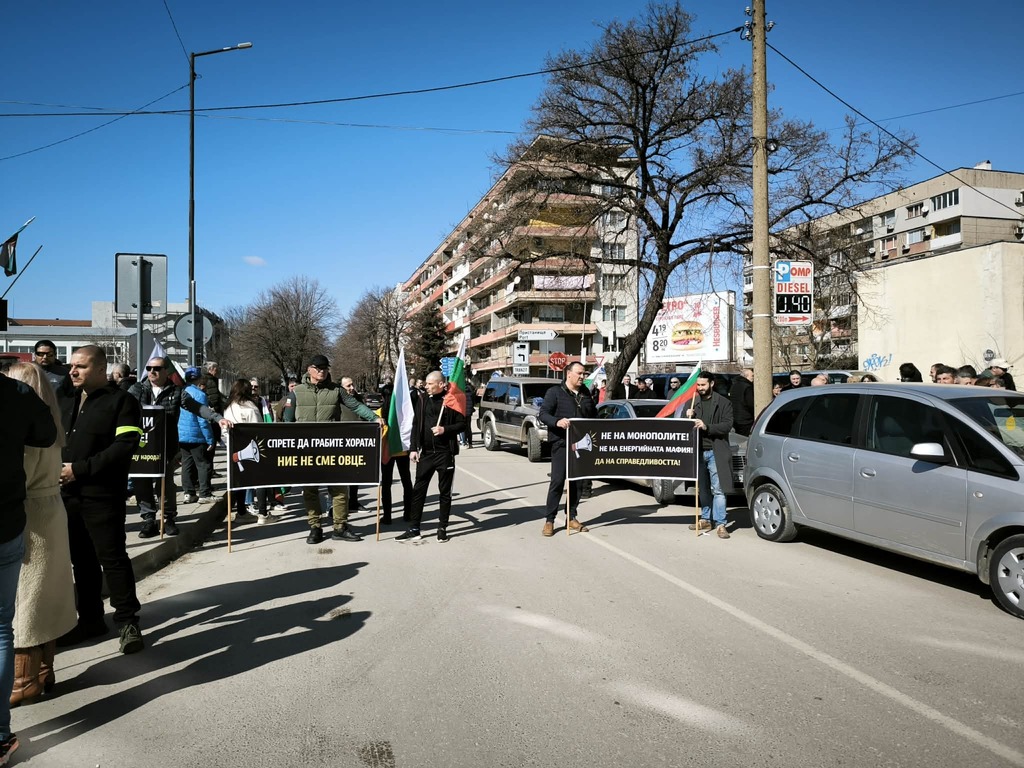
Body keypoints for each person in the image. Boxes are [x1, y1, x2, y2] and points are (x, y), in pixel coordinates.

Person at [59, 345, 145, 655]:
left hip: (102, 496)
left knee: (112, 559)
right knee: (81, 562)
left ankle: (127, 623)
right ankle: (91, 620)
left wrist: (79, 470)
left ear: (99, 369)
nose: (73, 371)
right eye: (72, 365)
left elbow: (124, 447)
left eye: (80, 366)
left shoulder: (122, 402)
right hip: (67, 498)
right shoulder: (65, 398)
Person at [5, 364, 76, 707]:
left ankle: (23, 680)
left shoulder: (23, 427)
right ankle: (45, 670)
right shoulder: (51, 421)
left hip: (29, 513)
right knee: (45, 595)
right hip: (51, 509)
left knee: (25, 601)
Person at [0, 368, 58, 761]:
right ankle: (0, 735)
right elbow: (47, 433)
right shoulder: (16, 394)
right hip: (4, 520)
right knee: (1, 626)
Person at [291, 355, 381, 545]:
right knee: (310, 491)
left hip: (331, 449)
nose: (322, 371)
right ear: (309, 369)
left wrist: (373, 417)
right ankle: (314, 527)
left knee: (339, 490)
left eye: (325, 368)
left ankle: (340, 527)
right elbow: (285, 423)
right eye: (318, 368)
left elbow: (355, 405)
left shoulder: (336, 391)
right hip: (307, 450)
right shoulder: (297, 392)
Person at [397, 371, 466, 542]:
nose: (425, 386)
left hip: (445, 453)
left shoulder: (452, 400)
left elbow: (462, 424)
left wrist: (445, 430)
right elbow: (416, 424)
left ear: (441, 384)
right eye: (425, 383)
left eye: (429, 384)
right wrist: (413, 448)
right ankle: (414, 528)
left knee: (444, 493)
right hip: (426, 453)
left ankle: (442, 528)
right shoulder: (422, 399)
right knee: (418, 491)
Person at [537, 361, 597, 537]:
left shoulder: (585, 394)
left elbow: (593, 416)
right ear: (568, 374)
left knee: (577, 483)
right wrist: (557, 422)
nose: (582, 377)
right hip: (562, 444)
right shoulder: (555, 393)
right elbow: (544, 414)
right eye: (579, 373)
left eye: (584, 374)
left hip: (581, 446)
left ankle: (571, 516)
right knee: (557, 481)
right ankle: (549, 520)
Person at [128, 357, 181, 538]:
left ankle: (168, 519)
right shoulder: (136, 389)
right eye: (149, 367)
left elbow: (195, 407)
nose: (152, 371)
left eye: (157, 368)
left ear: (167, 371)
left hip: (165, 447)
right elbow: (123, 406)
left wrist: (216, 418)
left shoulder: (176, 391)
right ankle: (148, 520)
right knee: (141, 483)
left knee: (165, 485)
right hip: (140, 446)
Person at [686, 372, 735, 539]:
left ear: (711, 384)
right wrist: (687, 417)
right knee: (703, 489)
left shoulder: (723, 402)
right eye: (698, 385)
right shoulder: (693, 403)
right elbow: (682, 428)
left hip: (716, 451)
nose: (700, 388)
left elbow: (727, 425)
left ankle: (721, 523)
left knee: (719, 489)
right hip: (698, 452)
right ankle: (706, 519)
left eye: (703, 385)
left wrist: (707, 427)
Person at [222, 379, 278, 525]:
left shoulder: (229, 408)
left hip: (234, 449)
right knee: (261, 480)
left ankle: (241, 512)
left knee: (240, 482)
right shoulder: (250, 408)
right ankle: (263, 514)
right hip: (252, 448)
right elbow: (257, 429)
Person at [177, 368, 215, 508]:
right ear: (199, 379)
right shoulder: (200, 394)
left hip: (182, 435)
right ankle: (204, 493)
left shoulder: (181, 392)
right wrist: (210, 438)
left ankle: (188, 493)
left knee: (186, 464)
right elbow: (203, 419)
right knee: (203, 464)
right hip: (197, 435)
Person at [379, 392, 413, 527]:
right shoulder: (402, 411)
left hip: (386, 452)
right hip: (402, 451)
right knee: (406, 481)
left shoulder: (378, 412)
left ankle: (387, 516)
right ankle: (408, 513)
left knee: (386, 484)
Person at [34, 339, 76, 431]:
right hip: (32, 419)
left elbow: (72, 398)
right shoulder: (27, 372)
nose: (44, 357)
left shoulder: (65, 374)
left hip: (56, 421)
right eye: (40, 354)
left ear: (55, 355)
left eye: (49, 354)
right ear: (35, 355)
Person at [729, 368, 755, 436]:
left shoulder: (734, 385)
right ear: (746, 376)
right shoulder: (747, 387)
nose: (753, 378)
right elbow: (750, 404)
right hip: (746, 419)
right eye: (752, 376)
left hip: (735, 418)